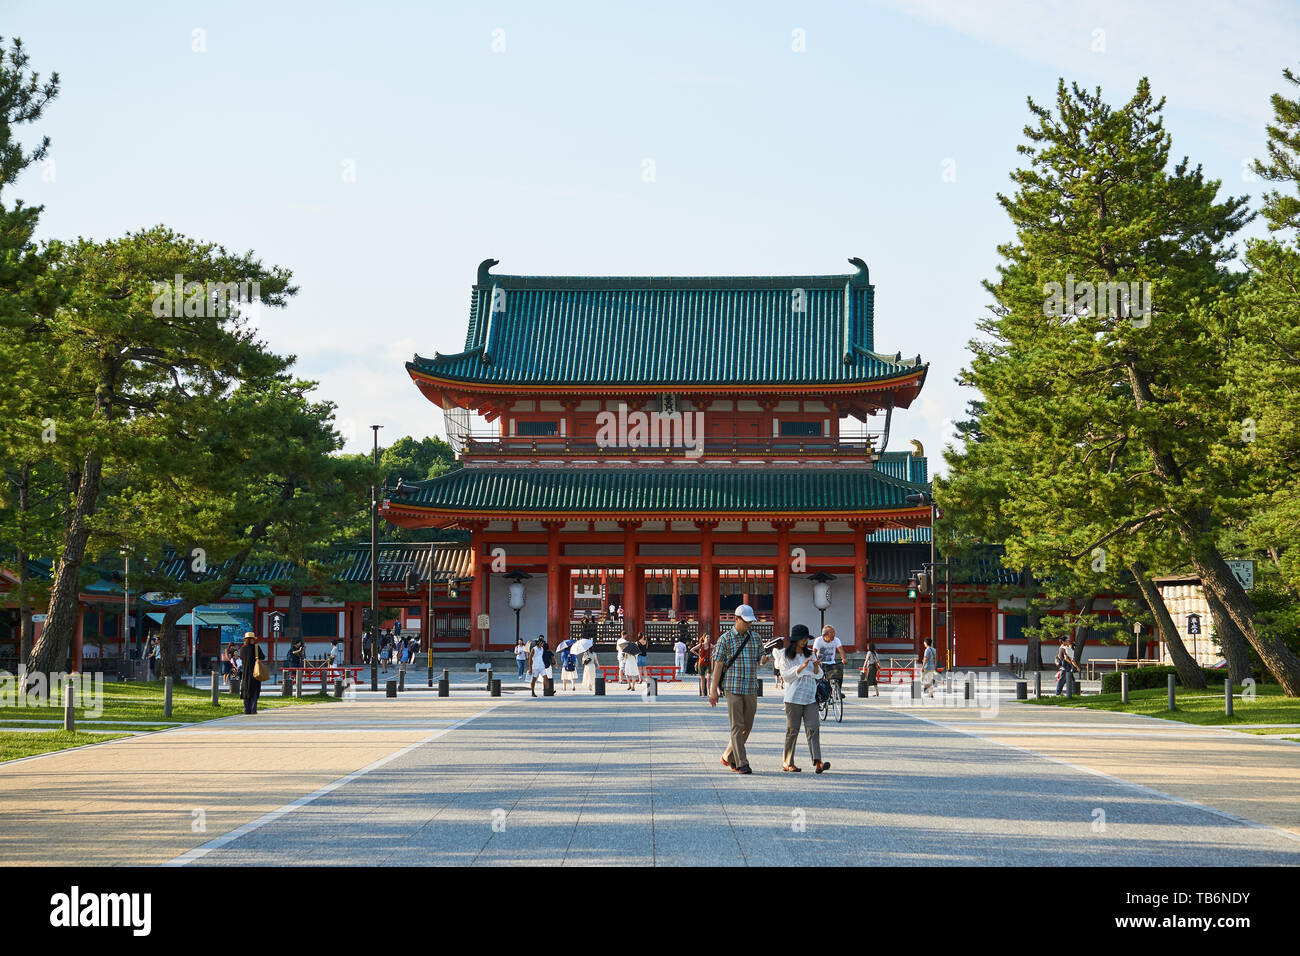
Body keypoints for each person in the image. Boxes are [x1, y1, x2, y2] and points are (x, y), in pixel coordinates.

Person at [709, 604, 771, 774]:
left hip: (751, 686)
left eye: (751, 622)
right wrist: (712, 690)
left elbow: (760, 658)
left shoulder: (756, 638)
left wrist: (765, 659)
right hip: (732, 687)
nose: (749, 625)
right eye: (746, 621)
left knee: (747, 726)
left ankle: (727, 756)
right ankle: (742, 762)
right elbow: (718, 665)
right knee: (737, 726)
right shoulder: (725, 639)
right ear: (736, 619)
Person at [778, 624, 829, 773]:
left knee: (813, 727)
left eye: (807, 638)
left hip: (810, 696)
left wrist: (815, 668)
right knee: (792, 730)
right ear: (796, 639)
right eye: (803, 638)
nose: (806, 641)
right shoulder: (786, 656)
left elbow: (818, 675)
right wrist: (801, 668)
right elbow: (786, 676)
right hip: (793, 697)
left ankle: (818, 761)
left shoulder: (810, 654)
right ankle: (787, 762)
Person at [812, 625, 846, 699]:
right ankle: (824, 693)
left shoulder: (836, 640)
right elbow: (813, 652)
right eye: (832, 632)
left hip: (831, 663)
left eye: (834, 632)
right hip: (821, 663)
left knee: (839, 673)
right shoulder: (818, 640)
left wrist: (843, 658)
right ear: (825, 634)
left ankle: (838, 690)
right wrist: (816, 662)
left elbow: (841, 650)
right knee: (824, 680)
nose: (834, 634)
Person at [239, 631, 266, 715]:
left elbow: (242, 658)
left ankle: (246, 710)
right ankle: (253, 709)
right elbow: (263, 657)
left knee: (246, 691)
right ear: (252, 639)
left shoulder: (242, 649)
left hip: (245, 673)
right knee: (254, 691)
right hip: (255, 672)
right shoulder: (256, 648)